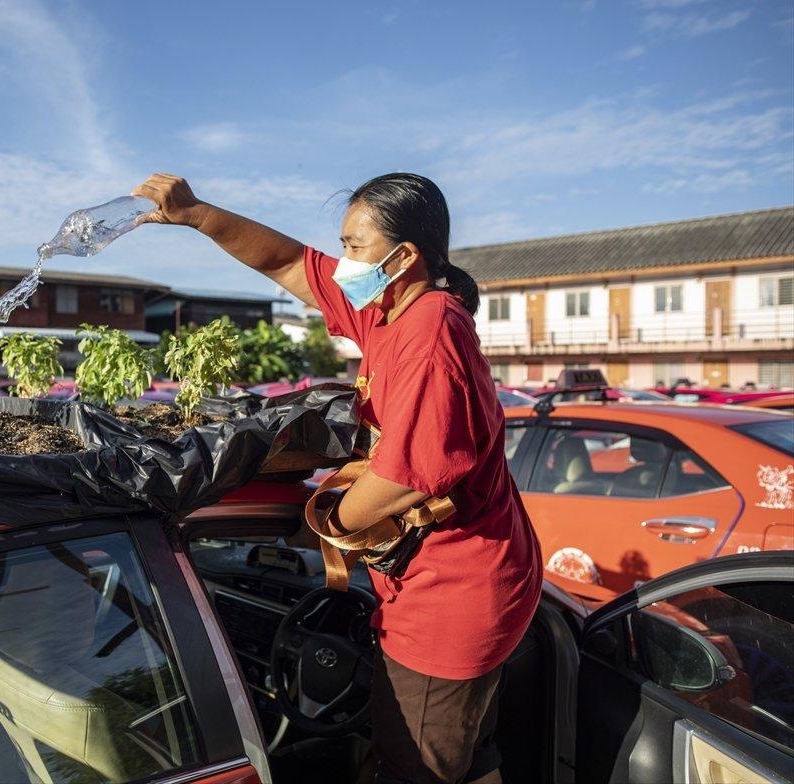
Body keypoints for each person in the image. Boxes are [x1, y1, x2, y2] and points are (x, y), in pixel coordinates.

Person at [133, 172, 542, 784]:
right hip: (466, 583)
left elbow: (408, 480)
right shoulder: (388, 310)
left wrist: (322, 525)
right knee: (469, 761)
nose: (342, 260)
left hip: (449, 601)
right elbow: (289, 261)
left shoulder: (429, 335)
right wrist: (196, 215)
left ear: (403, 256)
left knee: (416, 770)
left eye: (354, 246)